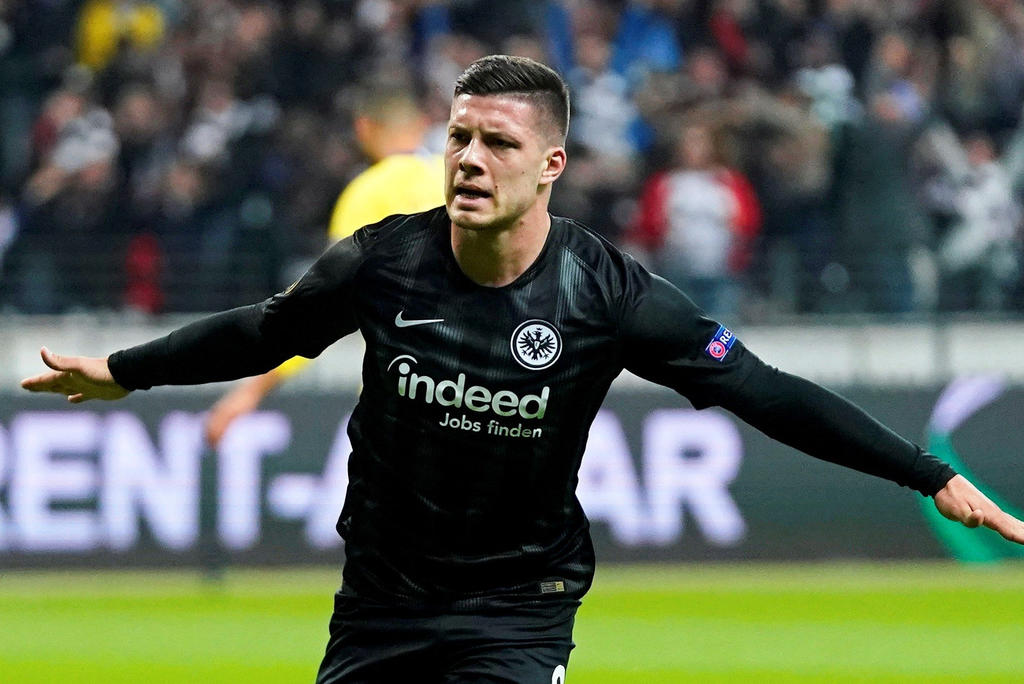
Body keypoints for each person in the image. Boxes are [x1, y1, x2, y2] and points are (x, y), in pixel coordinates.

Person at [21, 55, 1024, 684]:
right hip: (378, 604)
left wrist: (927, 473)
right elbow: (263, 331)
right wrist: (124, 371)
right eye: (458, 137)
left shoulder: (610, 295)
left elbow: (765, 391)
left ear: (550, 166)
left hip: (517, 610)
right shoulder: (382, 262)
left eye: (497, 142)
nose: (468, 158)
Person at [203, 87, 444, 446]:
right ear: (423, 125)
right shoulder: (460, 181)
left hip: (400, 401)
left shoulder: (368, 193)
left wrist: (250, 392)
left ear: (363, 128)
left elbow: (320, 306)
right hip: (475, 396)